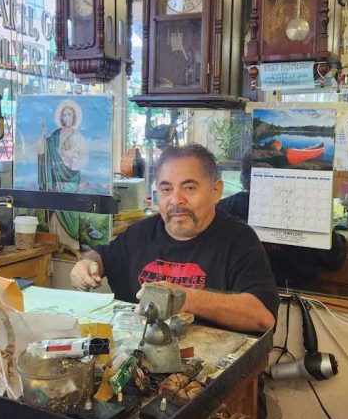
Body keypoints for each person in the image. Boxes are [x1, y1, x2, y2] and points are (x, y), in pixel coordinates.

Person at [70, 143, 278, 333]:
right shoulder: (139, 234)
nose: (176, 200)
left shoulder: (239, 241)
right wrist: (87, 264)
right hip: (137, 359)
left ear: (216, 191)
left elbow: (262, 318)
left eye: (189, 188)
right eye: (166, 189)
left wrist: (186, 298)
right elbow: (101, 258)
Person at [218, 154, 348, 289]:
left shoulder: (226, 208)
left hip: (242, 292)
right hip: (295, 296)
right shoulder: (306, 211)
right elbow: (335, 259)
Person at [37, 99, 89, 248]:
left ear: (74, 118)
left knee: (70, 211)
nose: (67, 118)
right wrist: (42, 138)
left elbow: (84, 158)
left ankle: (71, 243)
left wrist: (71, 160)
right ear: (60, 117)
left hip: (71, 178)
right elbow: (44, 151)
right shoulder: (55, 136)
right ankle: (57, 244)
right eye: (64, 115)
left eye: (70, 115)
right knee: (56, 210)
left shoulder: (79, 138)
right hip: (56, 179)